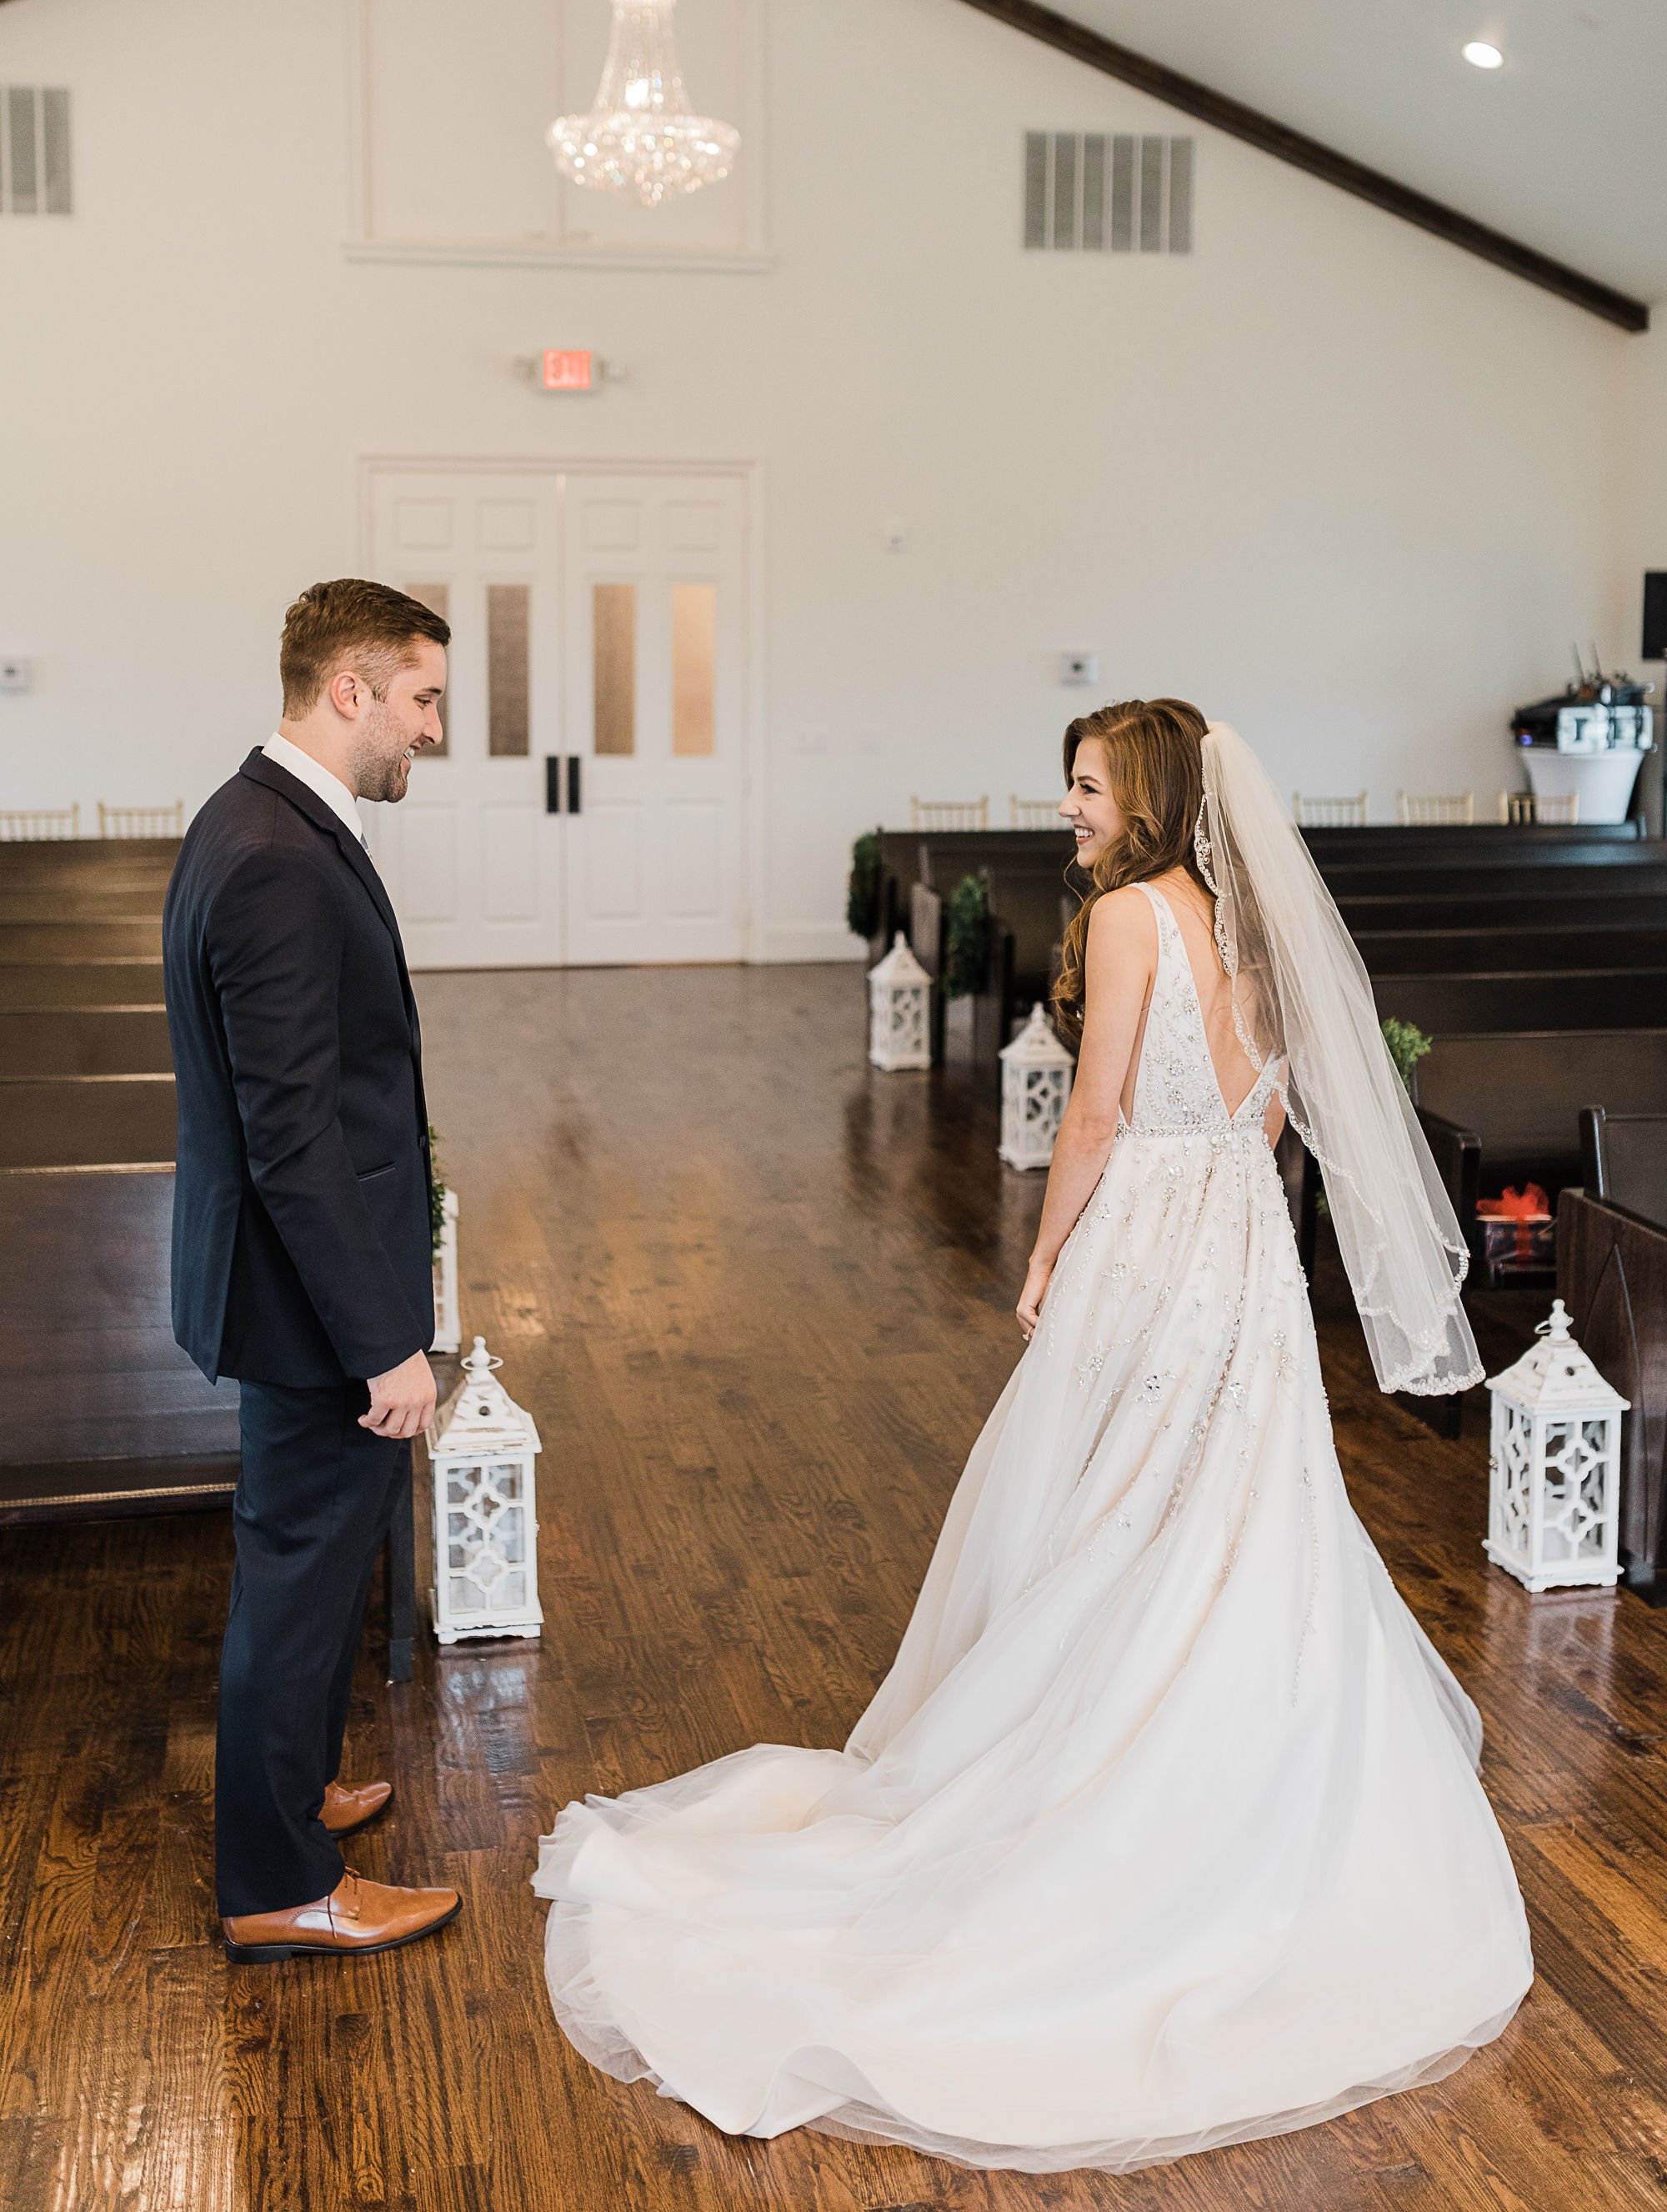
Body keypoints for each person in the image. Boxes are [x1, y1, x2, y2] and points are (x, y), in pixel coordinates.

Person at [532, 698, 1531, 2174]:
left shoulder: (1133, 916)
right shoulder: (1258, 928)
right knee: (1234, 1503)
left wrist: (1053, 1258)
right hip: (1243, 1250)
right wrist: (1214, 1218)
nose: (1066, 808)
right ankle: (1228, 1760)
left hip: (1150, 1239)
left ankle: (1085, 1774)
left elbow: (1094, 1117)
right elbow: (1267, 1129)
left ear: (1140, 792)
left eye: (1082, 786)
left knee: (1110, 1504)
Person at [164, 578, 462, 1964]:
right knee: (296, 1580)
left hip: (292, 1291)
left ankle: (297, 1789)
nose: (434, 732)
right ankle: (278, 1879)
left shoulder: (255, 816)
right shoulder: (279, 854)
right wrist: (383, 1340)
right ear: (348, 692)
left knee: (314, 1564)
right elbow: (292, 1137)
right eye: (421, 699)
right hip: (309, 1306)